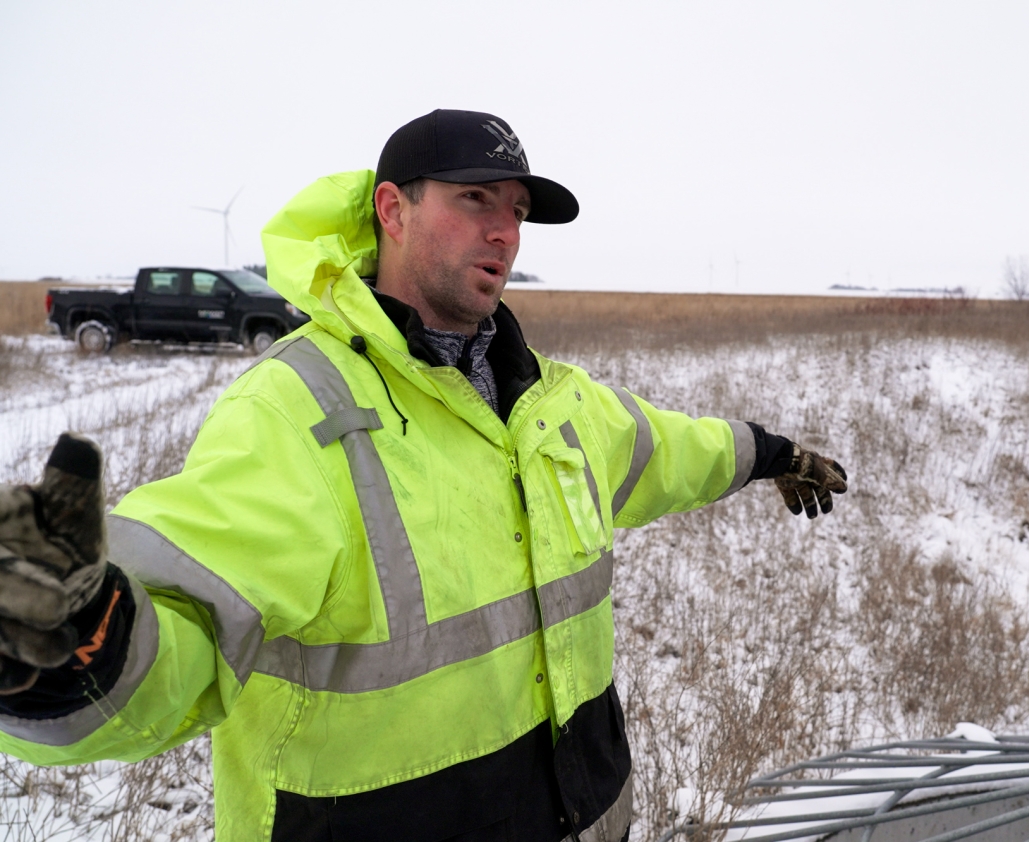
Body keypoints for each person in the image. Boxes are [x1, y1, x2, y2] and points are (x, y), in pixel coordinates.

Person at [0, 110, 848, 842]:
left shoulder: (552, 403)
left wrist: (772, 453)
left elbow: (670, 451)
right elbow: (186, 613)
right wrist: (76, 646)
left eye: (517, 211)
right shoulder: (298, 410)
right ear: (392, 209)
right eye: (475, 199)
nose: (504, 231)